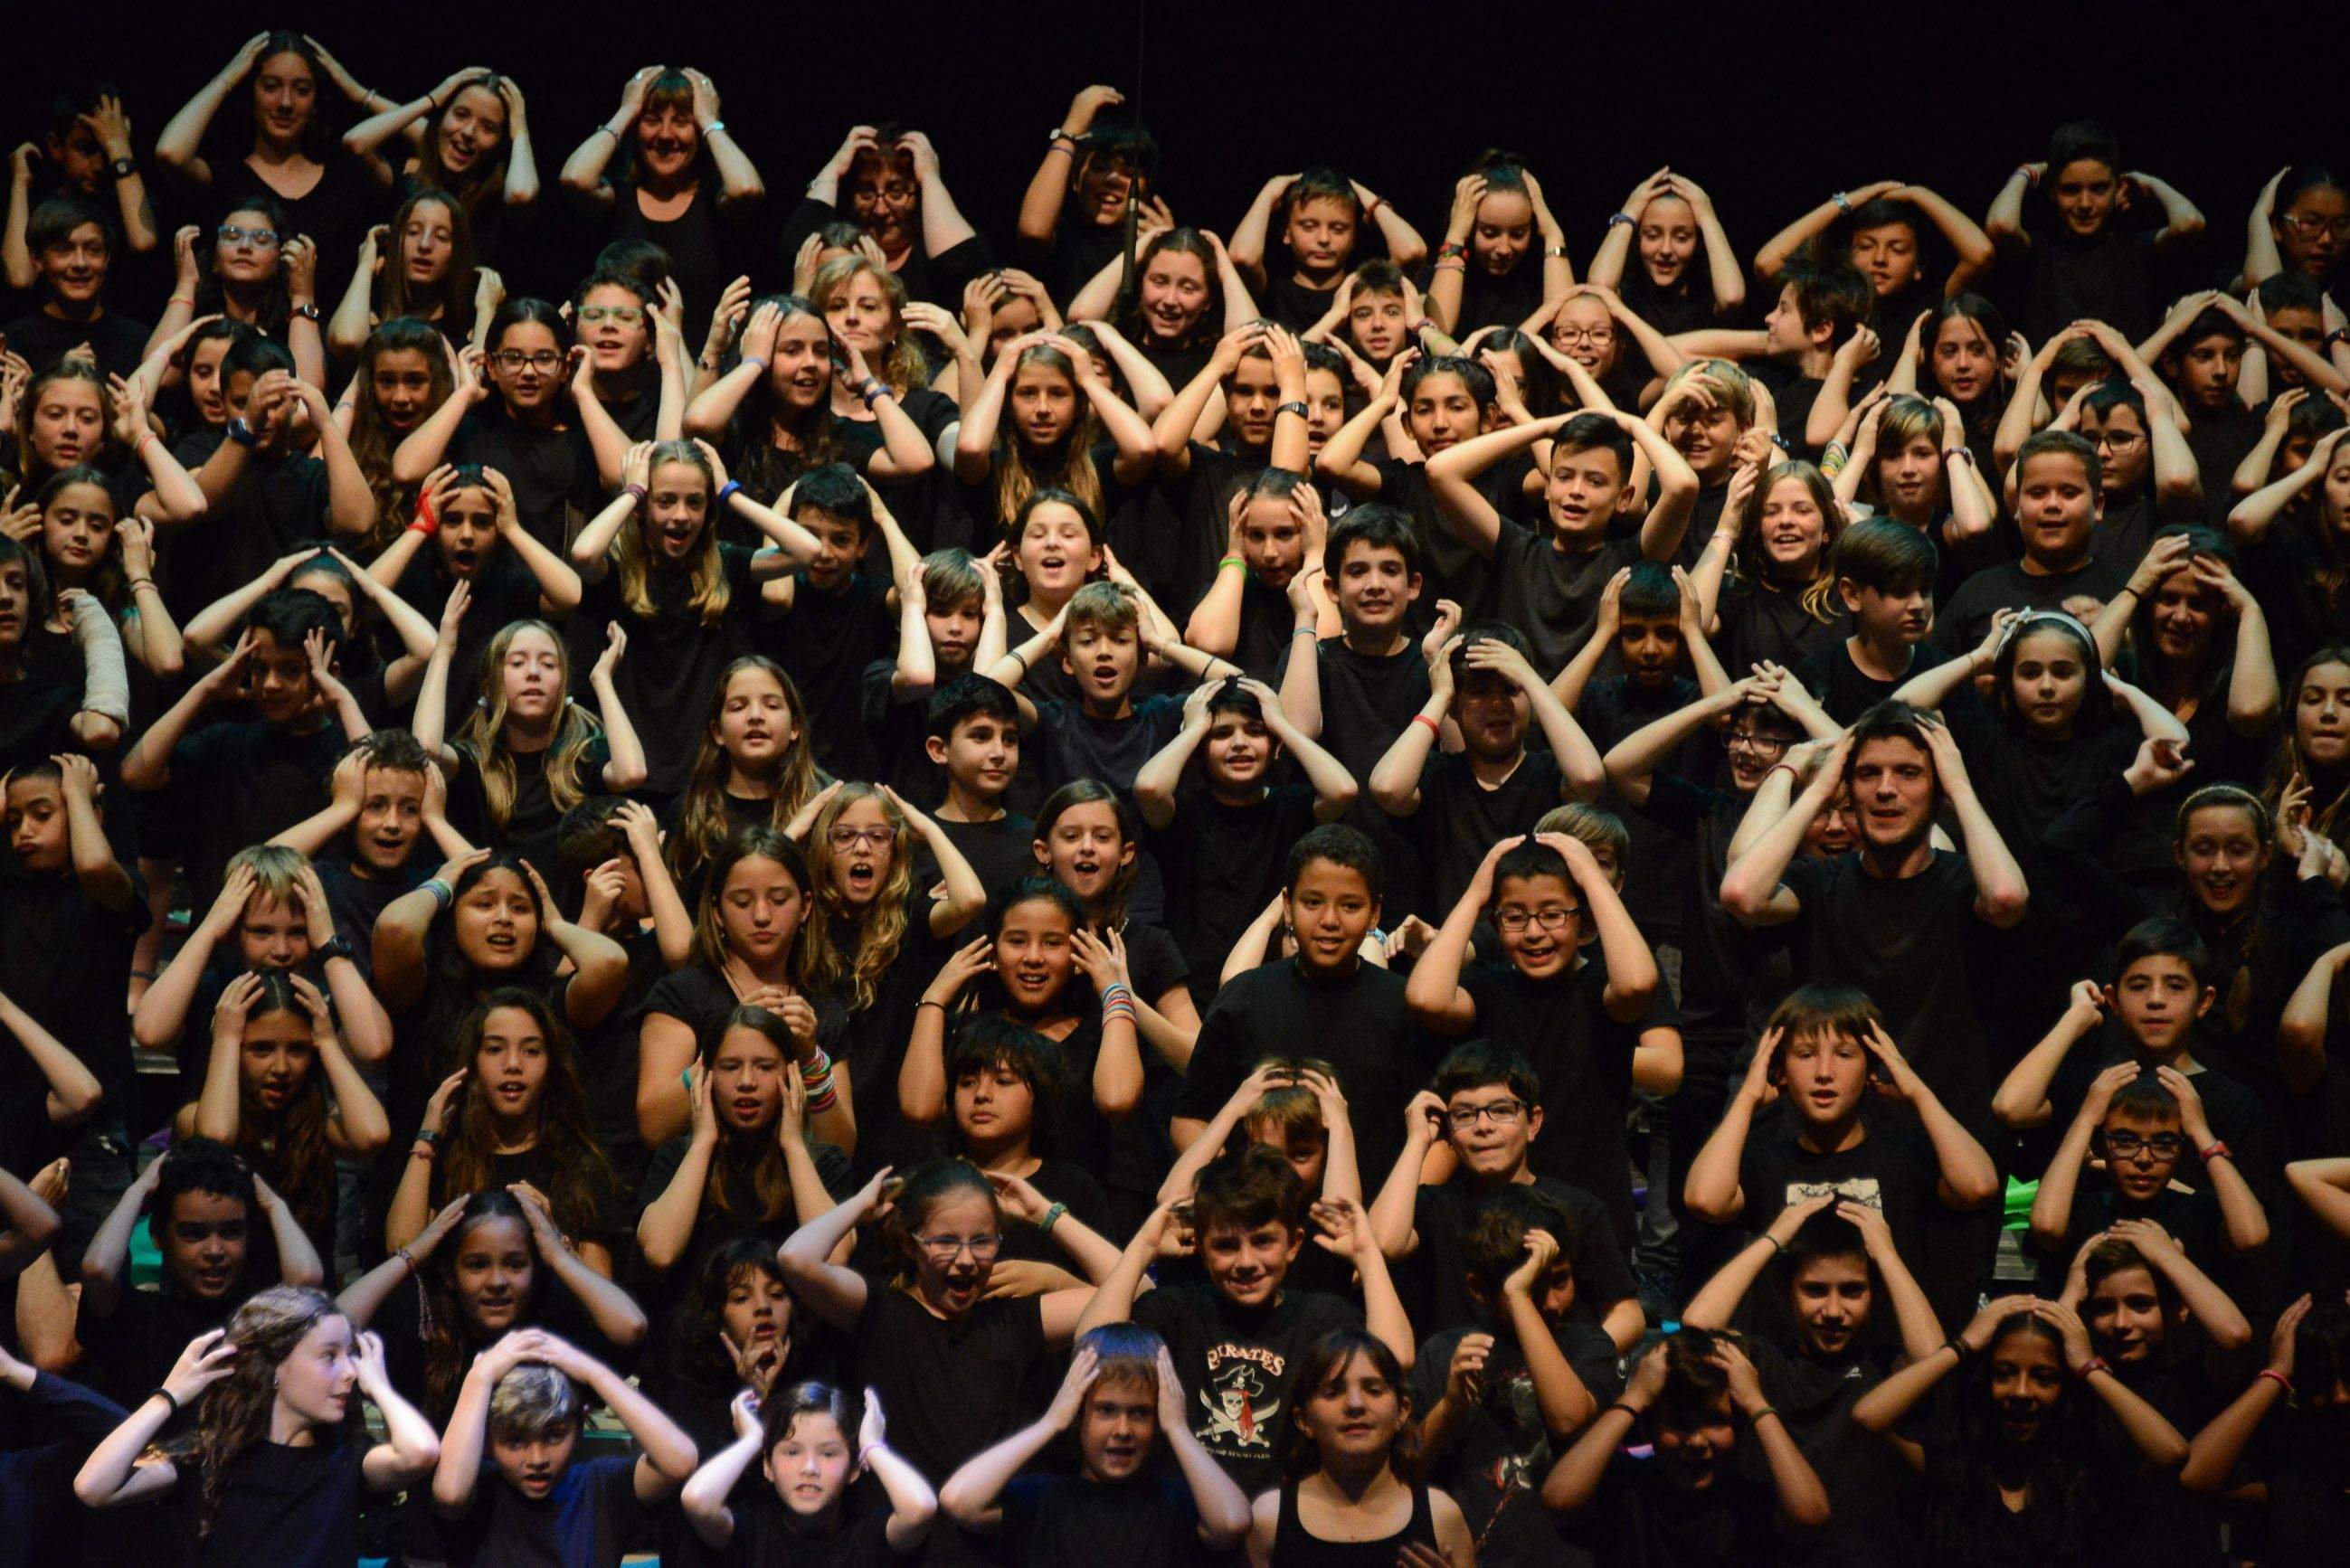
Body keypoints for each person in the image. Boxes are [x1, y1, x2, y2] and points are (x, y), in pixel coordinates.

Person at [1078, 1149, 1412, 1498]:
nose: (1246, 1262)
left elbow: (1396, 1360)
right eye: (1225, 1246)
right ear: (1202, 1251)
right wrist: (1143, 1247)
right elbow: (1091, 1348)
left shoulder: (1320, 1317)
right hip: (1184, 1516)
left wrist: (1369, 1256)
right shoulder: (1179, 1309)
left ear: (1294, 1244)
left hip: (1284, 1515)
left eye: (1263, 1241)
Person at [1402, 833, 1664, 1247]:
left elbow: (1637, 985)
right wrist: (1475, 894)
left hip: (1593, 1213)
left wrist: (1590, 877)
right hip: (1499, 1215)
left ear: (1582, 919)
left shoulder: (1600, 986)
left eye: (1553, 914)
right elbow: (1425, 999)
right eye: (1514, 917)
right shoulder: (1487, 988)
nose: (1534, 933)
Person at [72, 1285, 441, 1563]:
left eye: (352, 1356)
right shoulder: (207, 1457)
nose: (350, 1372)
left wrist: (379, 1387)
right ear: (276, 1366)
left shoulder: (344, 1460)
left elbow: (421, 1452)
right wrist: (167, 1398)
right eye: (330, 1356)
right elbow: (93, 1487)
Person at [1680, 1196, 1943, 1567]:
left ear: (1875, 1294)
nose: (1834, 1311)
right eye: (1815, 1290)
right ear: (1788, 1291)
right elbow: (1698, 1327)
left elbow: (1933, 1357)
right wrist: (1775, 1235)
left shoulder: (1884, 1365)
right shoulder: (1765, 1363)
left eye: (1852, 1291)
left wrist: (1886, 1253)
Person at [1850, 1295, 2190, 1567]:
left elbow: (2172, 1452)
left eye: (2044, 1378)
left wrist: (2089, 1367)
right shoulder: (1951, 1462)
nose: (2022, 1392)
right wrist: (1963, 1346)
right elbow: (1868, 1418)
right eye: (2005, 1373)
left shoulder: (2089, 1470)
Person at [1371, 1042, 1643, 1349]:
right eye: (1464, 1114)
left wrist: (1573, 1363)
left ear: (1533, 1122)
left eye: (1501, 1111)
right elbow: (1383, 1244)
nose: (1483, 1127)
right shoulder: (1437, 1205)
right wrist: (1418, 1140)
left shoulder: (1576, 1207)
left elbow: (1627, 1313)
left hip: (1553, 1380)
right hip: (1459, 1382)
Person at [940, 1327, 1255, 1567]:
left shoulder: (1174, 1505)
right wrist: (1050, 1423)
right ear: (1078, 1413)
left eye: (1141, 1413)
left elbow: (1233, 1523)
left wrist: (1178, 1428)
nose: (1123, 1430)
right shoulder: (1043, 1500)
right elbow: (959, 1500)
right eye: (1106, 1410)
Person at [1541, 1328, 1832, 1564]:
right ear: (1648, 1426)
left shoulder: (1750, 1498)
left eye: (1717, 1421)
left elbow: (1811, 1518)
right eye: (1679, 1423)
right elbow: (1559, 1500)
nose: (1696, 1441)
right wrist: (1635, 1397)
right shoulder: (1628, 1490)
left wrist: (1756, 1403)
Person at [429, 1327, 699, 1568]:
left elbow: (680, 1461)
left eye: (554, 1436)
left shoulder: (600, 1486)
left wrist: (593, 1372)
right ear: (489, 1437)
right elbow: (450, 1494)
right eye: (515, 1441)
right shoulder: (480, 1492)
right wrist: (479, 1377)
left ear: (579, 1424)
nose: (536, 1459)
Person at [1244, 1328, 1474, 1568]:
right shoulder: (1269, 1519)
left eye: (1373, 1390)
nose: (1355, 1405)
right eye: (1333, 1392)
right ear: (1303, 1420)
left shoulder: (1441, 1515)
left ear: (1402, 1411)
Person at [557, 65, 763, 328]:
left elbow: (747, 188)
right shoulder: (618, 198)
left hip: (702, 362)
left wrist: (709, 118)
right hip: (623, 359)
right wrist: (627, 110)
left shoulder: (714, 202)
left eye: (682, 121)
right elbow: (575, 178)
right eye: (652, 120)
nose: (665, 135)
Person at [1985, 119, 2206, 344]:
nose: (2085, 203)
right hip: (2047, 378)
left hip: (2128, 378)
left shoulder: (2138, 248)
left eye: (2098, 189)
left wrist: (2145, 181)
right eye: (2070, 190)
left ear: (2119, 188)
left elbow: (2189, 223)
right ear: (2052, 191)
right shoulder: (2038, 250)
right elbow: (2002, 225)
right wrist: (2027, 172)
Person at [680, 1381, 937, 1563]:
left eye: (828, 1453)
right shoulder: (753, 1532)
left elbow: (920, 1508)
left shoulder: (868, 1535)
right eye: (792, 1452)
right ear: (767, 1467)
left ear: (854, 1470)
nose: (809, 1468)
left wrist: (872, 1445)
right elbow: (697, 1500)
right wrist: (754, 1440)